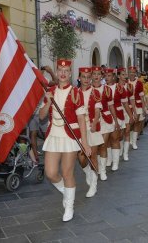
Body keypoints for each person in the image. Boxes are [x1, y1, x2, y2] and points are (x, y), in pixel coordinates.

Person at [39, 59, 91, 222]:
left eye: (66, 70)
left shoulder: (76, 93)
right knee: (51, 173)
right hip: (53, 135)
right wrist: (47, 101)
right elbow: (41, 116)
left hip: (69, 136)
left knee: (67, 172)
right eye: (60, 70)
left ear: (70, 73)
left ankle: (69, 206)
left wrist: (85, 142)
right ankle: (66, 191)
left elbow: (81, 118)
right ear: (57, 71)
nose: (62, 73)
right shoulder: (50, 90)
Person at [78, 67, 103, 198]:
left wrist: (94, 124)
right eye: (84, 77)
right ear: (79, 78)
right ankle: (88, 171)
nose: (86, 80)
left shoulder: (95, 92)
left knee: (93, 155)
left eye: (88, 77)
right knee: (81, 157)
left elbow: (98, 110)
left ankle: (94, 185)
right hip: (79, 129)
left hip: (92, 128)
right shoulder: (74, 92)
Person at [92, 67, 119, 180]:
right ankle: (96, 168)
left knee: (103, 145)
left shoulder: (107, 89)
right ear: (91, 75)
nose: (96, 76)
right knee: (96, 147)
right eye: (94, 74)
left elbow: (111, 106)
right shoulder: (87, 89)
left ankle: (102, 171)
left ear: (101, 76)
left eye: (99, 74)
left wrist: (116, 120)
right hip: (93, 121)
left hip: (106, 120)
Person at [117, 68, 135, 161]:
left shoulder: (130, 86)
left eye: (125, 74)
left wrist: (134, 112)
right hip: (118, 111)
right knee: (119, 134)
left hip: (127, 110)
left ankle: (125, 153)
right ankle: (119, 149)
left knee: (127, 131)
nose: (125, 76)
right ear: (118, 76)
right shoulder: (115, 86)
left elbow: (132, 99)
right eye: (123, 75)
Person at [128, 66, 147, 150]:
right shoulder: (125, 82)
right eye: (130, 72)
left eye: (133, 72)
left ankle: (134, 142)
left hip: (138, 105)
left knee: (136, 123)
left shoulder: (139, 83)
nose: (132, 74)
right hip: (128, 106)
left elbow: (142, 96)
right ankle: (130, 140)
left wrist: (144, 108)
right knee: (130, 123)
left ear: (135, 73)